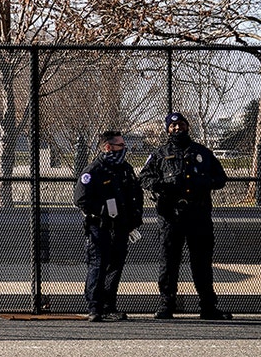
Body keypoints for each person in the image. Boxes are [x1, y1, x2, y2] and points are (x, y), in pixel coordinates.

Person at [138, 112, 232, 320]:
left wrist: (203, 183)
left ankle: (208, 306)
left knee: (202, 262)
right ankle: (166, 304)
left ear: (187, 127)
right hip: (171, 217)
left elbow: (220, 178)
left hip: (198, 215)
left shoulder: (202, 153)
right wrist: (159, 186)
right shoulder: (160, 154)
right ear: (167, 130)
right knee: (169, 261)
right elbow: (144, 177)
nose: (177, 128)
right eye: (172, 126)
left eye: (180, 124)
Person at [74, 130, 144, 321]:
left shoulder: (125, 169)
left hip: (121, 227)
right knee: (98, 264)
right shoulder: (93, 171)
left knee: (115, 265)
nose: (124, 149)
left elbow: (136, 194)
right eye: (120, 145)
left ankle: (108, 306)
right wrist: (103, 210)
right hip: (100, 226)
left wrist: (135, 217)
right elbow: (81, 199)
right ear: (107, 147)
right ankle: (94, 307)